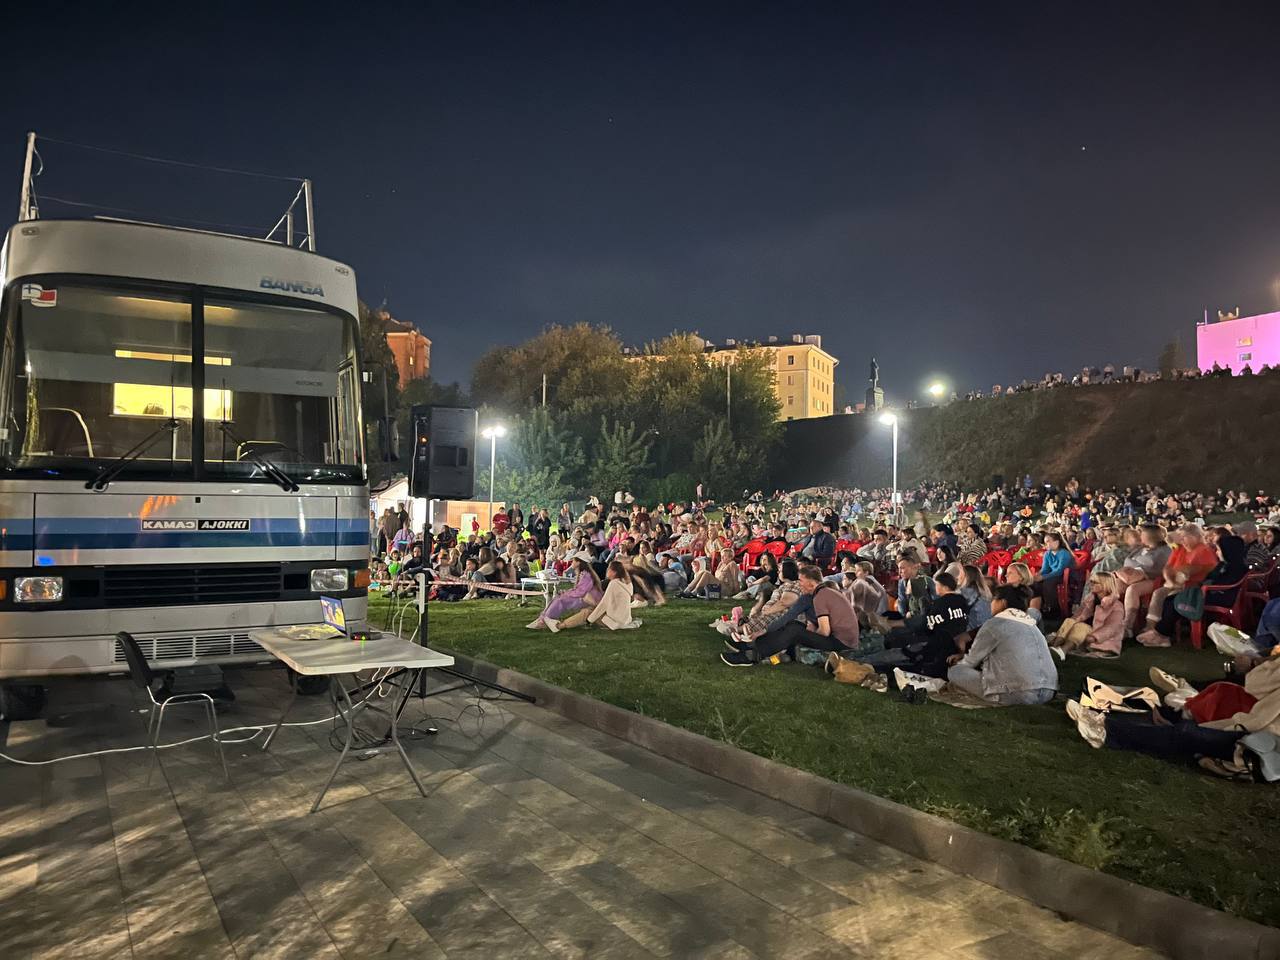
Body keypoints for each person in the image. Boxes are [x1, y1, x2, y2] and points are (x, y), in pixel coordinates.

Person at [720, 565, 858, 666]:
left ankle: (752, 656)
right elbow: (787, 617)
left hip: (841, 643)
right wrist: (763, 631)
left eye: (801, 580)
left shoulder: (821, 596)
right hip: (835, 638)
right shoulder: (814, 595)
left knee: (795, 630)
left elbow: (824, 631)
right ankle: (752, 647)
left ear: (811, 583)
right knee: (792, 624)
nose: (799, 584)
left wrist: (810, 632)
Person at [946, 584, 1058, 706]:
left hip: (1017, 693)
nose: (991, 604)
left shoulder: (995, 624)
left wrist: (960, 662)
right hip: (1048, 691)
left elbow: (970, 662)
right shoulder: (1031, 624)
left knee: (955, 671)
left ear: (1002, 602)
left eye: (994, 600)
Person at [1136, 524, 1218, 646]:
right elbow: (1167, 568)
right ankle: (1152, 629)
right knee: (1159, 594)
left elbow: (1199, 570)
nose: (1181, 540)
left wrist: (1179, 575)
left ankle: (1160, 634)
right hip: (1176, 585)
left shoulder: (1203, 550)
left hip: (1194, 588)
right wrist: (1172, 580)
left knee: (1165, 596)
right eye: (1180, 537)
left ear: (1195, 537)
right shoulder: (1180, 549)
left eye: (1184, 537)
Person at [548, 561, 640, 632]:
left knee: (587, 612)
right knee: (589, 609)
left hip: (615, 620)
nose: (607, 571)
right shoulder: (626, 583)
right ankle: (569, 622)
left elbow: (604, 604)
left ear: (614, 572)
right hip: (624, 618)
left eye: (609, 569)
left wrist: (589, 620)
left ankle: (559, 626)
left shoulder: (614, 584)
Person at [1051, 570, 1124, 658]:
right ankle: (1055, 645)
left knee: (1081, 627)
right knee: (1069, 621)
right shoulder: (1091, 599)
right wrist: (1072, 622)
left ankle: (1063, 651)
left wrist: (1095, 637)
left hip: (1102, 639)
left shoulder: (1116, 605)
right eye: (1091, 582)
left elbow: (1112, 627)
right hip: (1087, 630)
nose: (1091, 584)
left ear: (1105, 585)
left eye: (1094, 582)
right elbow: (1078, 615)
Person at [1115, 523, 1172, 636]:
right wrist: (1139, 564)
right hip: (1135, 577)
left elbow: (1152, 566)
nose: (1139, 536)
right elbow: (1127, 561)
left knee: (1133, 589)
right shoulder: (1140, 549)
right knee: (1115, 584)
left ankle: (1128, 625)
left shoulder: (1164, 550)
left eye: (1141, 533)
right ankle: (1112, 620)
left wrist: (1136, 566)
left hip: (1156, 580)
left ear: (1149, 535)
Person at [526, 556, 602, 629]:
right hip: (584, 597)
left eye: (573, 561)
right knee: (558, 598)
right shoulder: (584, 573)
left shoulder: (586, 575)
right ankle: (542, 618)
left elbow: (580, 592)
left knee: (561, 600)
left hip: (587, 600)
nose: (572, 562)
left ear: (579, 562)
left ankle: (543, 621)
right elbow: (579, 590)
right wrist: (566, 592)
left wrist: (566, 593)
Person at [1032, 532, 1074, 618]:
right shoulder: (1047, 554)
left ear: (1056, 542)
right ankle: (1039, 606)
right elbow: (1045, 569)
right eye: (1045, 542)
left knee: (1048, 582)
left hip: (1064, 576)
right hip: (1052, 574)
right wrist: (1037, 575)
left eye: (1048, 541)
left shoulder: (1064, 553)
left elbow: (1059, 571)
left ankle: (1053, 608)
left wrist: (1043, 577)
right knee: (1035, 583)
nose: (1046, 544)